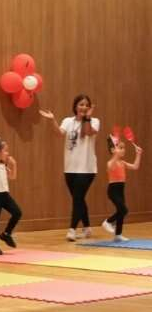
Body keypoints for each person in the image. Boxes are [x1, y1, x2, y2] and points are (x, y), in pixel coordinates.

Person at [40, 95, 100, 241]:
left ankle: (72, 229)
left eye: (86, 105)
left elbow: (86, 133)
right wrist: (52, 120)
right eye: (81, 104)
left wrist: (87, 118)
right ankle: (87, 228)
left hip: (86, 168)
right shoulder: (68, 121)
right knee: (79, 199)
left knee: (77, 198)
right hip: (70, 167)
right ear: (75, 106)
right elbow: (59, 133)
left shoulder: (94, 121)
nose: (84, 107)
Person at [102, 137, 142, 242]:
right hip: (113, 190)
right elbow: (110, 167)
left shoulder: (123, 163)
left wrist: (138, 154)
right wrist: (115, 154)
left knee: (121, 212)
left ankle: (118, 235)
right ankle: (108, 222)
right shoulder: (110, 162)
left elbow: (135, 167)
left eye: (124, 148)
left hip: (121, 190)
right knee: (124, 210)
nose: (123, 150)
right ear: (112, 150)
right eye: (120, 148)